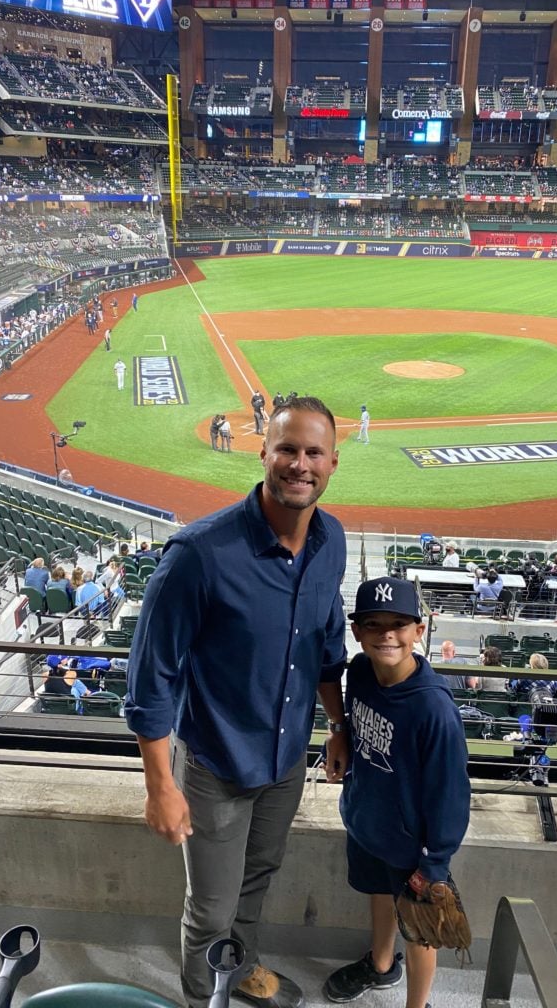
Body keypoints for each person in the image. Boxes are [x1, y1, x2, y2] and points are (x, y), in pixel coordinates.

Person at [125, 395, 347, 1008]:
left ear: (332, 462)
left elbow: (327, 643)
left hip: (286, 762)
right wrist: (160, 786)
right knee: (211, 908)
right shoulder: (198, 554)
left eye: (313, 452)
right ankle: (204, 999)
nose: (299, 464)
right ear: (264, 453)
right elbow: (150, 679)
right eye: (287, 449)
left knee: (257, 880)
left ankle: (240, 967)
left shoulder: (331, 540)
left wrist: (337, 724)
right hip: (215, 767)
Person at [322, 576, 470, 1007]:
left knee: (420, 928)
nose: (387, 634)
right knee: (380, 894)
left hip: (410, 844)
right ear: (357, 632)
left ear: (418, 631)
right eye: (374, 624)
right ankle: (381, 964)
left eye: (399, 624)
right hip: (367, 820)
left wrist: (435, 861)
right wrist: (339, 735)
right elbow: (354, 724)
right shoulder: (360, 672)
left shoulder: (433, 708)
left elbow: (450, 794)